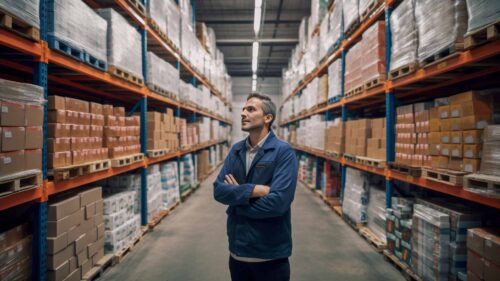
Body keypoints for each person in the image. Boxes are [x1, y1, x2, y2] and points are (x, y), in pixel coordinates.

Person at [213, 92, 299, 281]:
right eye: (243, 109)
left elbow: (278, 203)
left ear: (268, 118)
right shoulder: (236, 150)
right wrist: (255, 190)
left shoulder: (283, 152)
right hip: (237, 252)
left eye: (251, 109)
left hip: (270, 256)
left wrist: (236, 201)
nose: (243, 113)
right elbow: (218, 191)